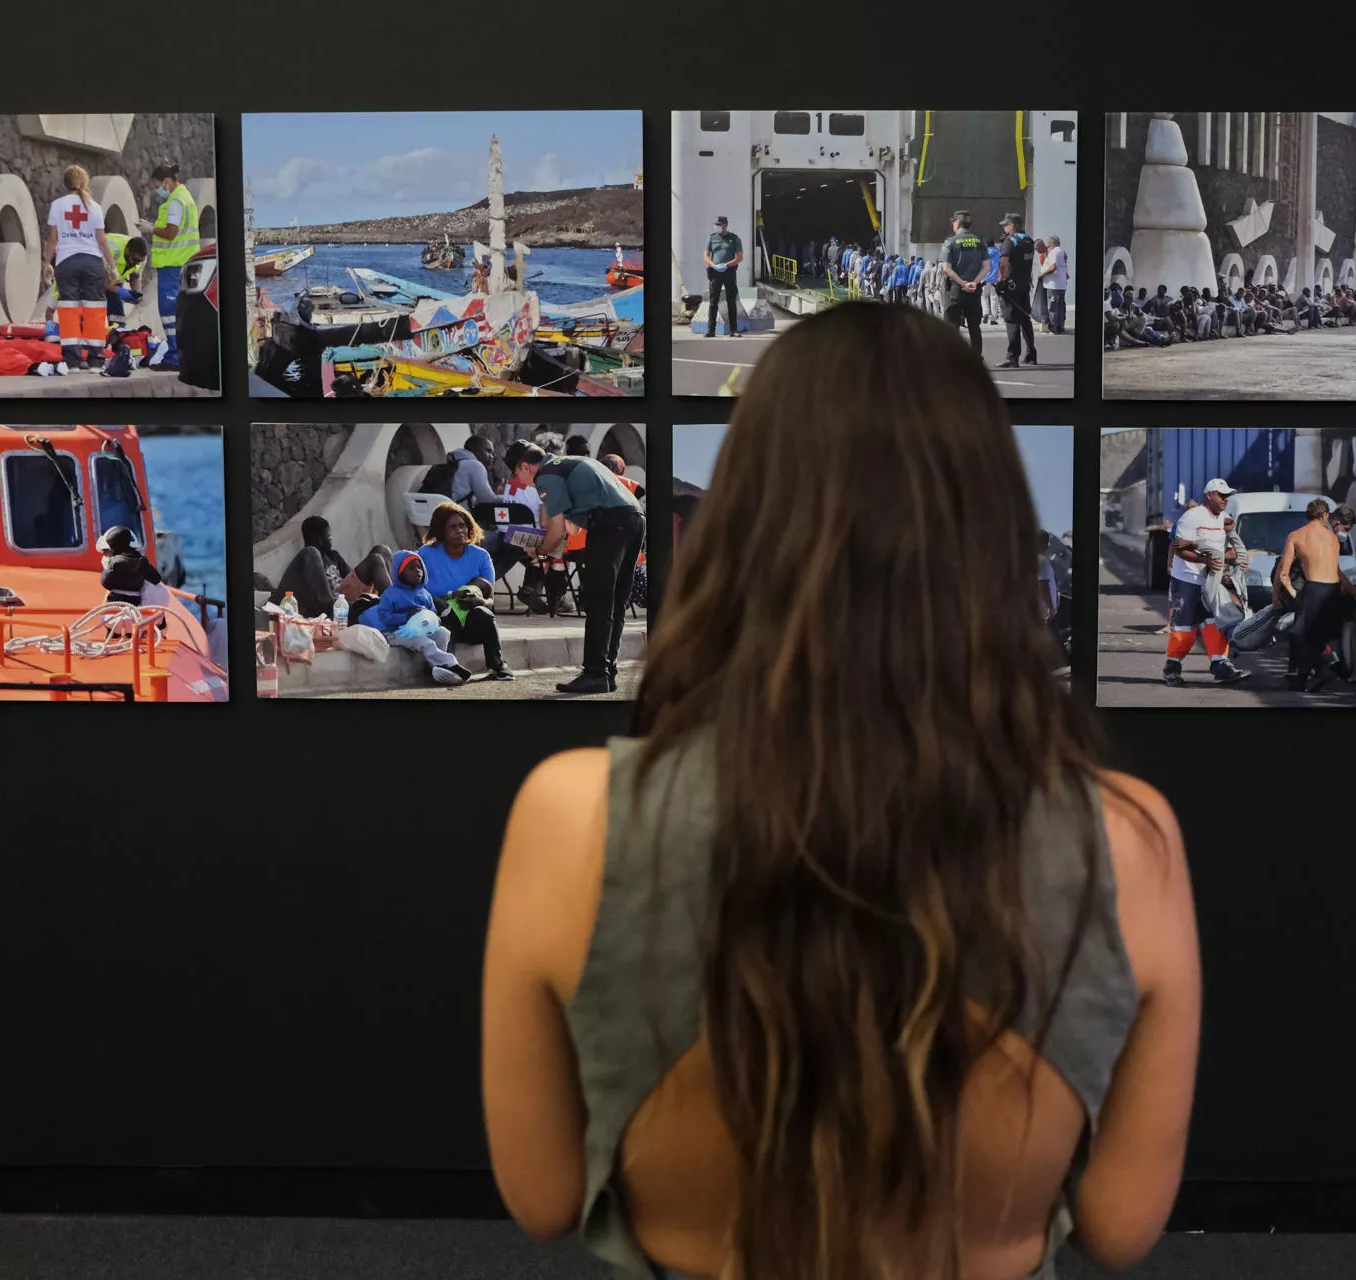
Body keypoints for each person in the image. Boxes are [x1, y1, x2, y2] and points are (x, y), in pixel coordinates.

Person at [481, 301, 1198, 1280]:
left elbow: (542, 1190)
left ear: (742, 519)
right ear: (989, 530)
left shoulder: (570, 816)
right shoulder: (1127, 836)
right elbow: (1120, 1221)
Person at [516, 444, 645, 695]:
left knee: (598, 600)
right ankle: (607, 672)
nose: (521, 481)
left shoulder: (547, 474)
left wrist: (540, 551)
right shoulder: (569, 464)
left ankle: (595, 673)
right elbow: (568, 528)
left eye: (518, 475)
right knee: (615, 602)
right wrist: (546, 544)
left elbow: (555, 530)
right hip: (633, 520)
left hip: (609, 524)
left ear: (524, 466)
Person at [1164, 478, 1248, 687]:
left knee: (1215, 623)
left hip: (1211, 581)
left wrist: (1233, 559)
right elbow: (1179, 548)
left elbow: (1226, 548)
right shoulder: (1192, 517)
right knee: (1184, 629)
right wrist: (1205, 559)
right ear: (1209, 495)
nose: (1225, 500)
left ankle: (1220, 665)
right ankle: (1172, 668)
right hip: (1187, 580)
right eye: (1222, 496)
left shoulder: (1224, 520)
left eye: (1227, 496)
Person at [417, 501, 514, 681]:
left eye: (462, 525)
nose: (460, 530)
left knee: (483, 613)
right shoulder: (426, 554)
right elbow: (417, 593)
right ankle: (444, 667)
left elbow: (490, 600)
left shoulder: (481, 556)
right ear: (441, 531)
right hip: (441, 619)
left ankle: (499, 666)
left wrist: (481, 602)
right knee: (443, 614)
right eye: (452, 527)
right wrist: (447, 598)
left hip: (471, 624)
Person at [42, 165, 115, 373]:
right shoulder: (95, 207)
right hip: (93, 263)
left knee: (69, 311)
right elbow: (102, 241)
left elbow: (53, 239)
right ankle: (95, 361)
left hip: (67, 262)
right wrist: (112, 266)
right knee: (94, 311)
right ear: (85, 182)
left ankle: (72, 362)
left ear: (65, 184)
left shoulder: (58, 205)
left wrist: (47, 263)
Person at [1275, 499, 1353, 693]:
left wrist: (1293, 594)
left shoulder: (1296, 536)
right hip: (1333, 589)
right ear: (1325, 516)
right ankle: (1310, 675)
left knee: (1298, 634)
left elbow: (1283, 574)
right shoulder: (1333, 538)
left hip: (1314, 590)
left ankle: (1326, 669)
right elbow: (1335, 568)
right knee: (1320, 635)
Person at [359, 549, 463, 686]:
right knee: (425, 642)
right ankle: (449, 663)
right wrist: (407, 616)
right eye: (411, 568)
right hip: (396, 632)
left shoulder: (425, 594)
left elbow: (433, 614)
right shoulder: (391, 594)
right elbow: (385, 617)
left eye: (419, 567)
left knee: (443, 633)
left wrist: (434, 620)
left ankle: (434, 668)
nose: (417, 571)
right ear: (400, 572)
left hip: (420, 629)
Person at [146, 163, 201, 371]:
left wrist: (151, 228)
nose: (158, 190)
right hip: (184, 262)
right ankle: (182, 354)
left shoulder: (176, 201)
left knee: (169, 311)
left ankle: (174, 357)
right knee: (181, 312)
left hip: (173, 263)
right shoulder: (186, 198)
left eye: (159, 185)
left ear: (167, 182)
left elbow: (170, 233)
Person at [937, 209, 988, 354]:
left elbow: (947, 268)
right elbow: (986, 267)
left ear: (958, 223)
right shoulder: (980, 241)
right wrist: (974, 283)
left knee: (952, 326)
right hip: (974, 290)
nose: (953, 224)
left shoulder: (950, 242)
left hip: (955, 289)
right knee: (974, 326)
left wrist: (962, 283)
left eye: (953, 222)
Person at [993, 213, 1039, 369]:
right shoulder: (1028, 240)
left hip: (1010, 287)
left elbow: (1004, 263)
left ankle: (1012, 357)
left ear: (1011, 225)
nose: (1004, 228)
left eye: (1006, 225)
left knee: (1012, 321)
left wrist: (1000, 282)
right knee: (1025, 320)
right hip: (1024, 285)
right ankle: (1031, 355)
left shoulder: (1010, 241)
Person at [99, 524, 162, 607]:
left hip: (116, 601)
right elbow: (156, 578)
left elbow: (105, 582)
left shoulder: (113, 562)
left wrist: (106, 569)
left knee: (107, 617)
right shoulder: (142, 560)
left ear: (113, 546)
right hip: (136, 601)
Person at [704, 215, 744, 337]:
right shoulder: (711, 238)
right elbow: (706, 255)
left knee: (731, 300)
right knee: (713, 301)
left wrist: (726, 265)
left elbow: (739, 257)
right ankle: (711, 330)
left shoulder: (735, 238)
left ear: (725, 225)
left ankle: (733, 330)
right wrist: (714, 265)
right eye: (715, 225)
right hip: (715, 272)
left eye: (719, 225)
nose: (716, 227)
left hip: (729, 272)